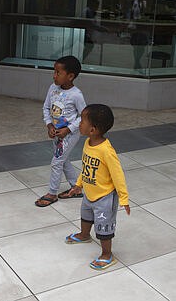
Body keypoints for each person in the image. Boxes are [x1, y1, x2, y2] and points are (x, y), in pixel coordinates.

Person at [64, 104, 130, 270]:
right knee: (85, 215)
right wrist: (78, 185)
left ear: (93, 129)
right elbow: (86, 167)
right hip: (89, 193)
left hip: (105, 197)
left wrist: (124, 198)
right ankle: (84, 234)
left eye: (82, 121)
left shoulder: (107, 151)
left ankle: (107, 254)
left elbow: (118, 175)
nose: (79, 123)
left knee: (104, 226)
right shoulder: (88, 143)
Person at [35, 56, 86, 207]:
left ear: (70, 76)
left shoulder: (76, 94)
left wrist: (68, 129)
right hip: (56, 133)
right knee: (63, 161)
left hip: (69, 134)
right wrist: (49, 125)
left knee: (56, 162)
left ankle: (52, 193)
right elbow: (46, 108)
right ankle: (75, 187)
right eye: (54, 72)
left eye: (58, 72)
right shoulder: (53, 88)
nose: (54, 75)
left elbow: (84, 116)